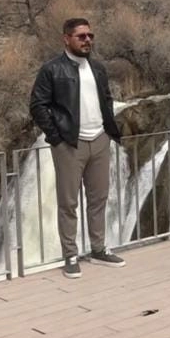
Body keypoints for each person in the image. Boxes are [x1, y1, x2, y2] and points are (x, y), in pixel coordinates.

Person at [30, 17, 125, 278]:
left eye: (90, 36)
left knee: (98, 198)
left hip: (100, 140)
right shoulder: (52, 69)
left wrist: (108, 132)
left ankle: (98, 249)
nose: (87, 40)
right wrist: (56, 137)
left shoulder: (98, 68)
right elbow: (37, 105)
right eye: (81, 36)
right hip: (70, 144)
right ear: (66, 39)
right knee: (68, 202)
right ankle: (70, 255)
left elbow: (106, 99)